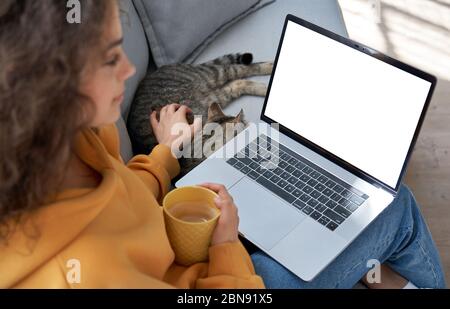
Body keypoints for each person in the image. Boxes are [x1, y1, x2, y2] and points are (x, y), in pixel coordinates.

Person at [0, 0, 445, 289]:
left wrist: (164, 154)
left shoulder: (70, 137)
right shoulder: (82, 275)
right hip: (234, 280)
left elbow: (119, 199)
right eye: (112, 57)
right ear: (52, 83)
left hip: (197, 248)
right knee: (396, 208)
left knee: (318, 223)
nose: (130, 71)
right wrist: (227, 245)